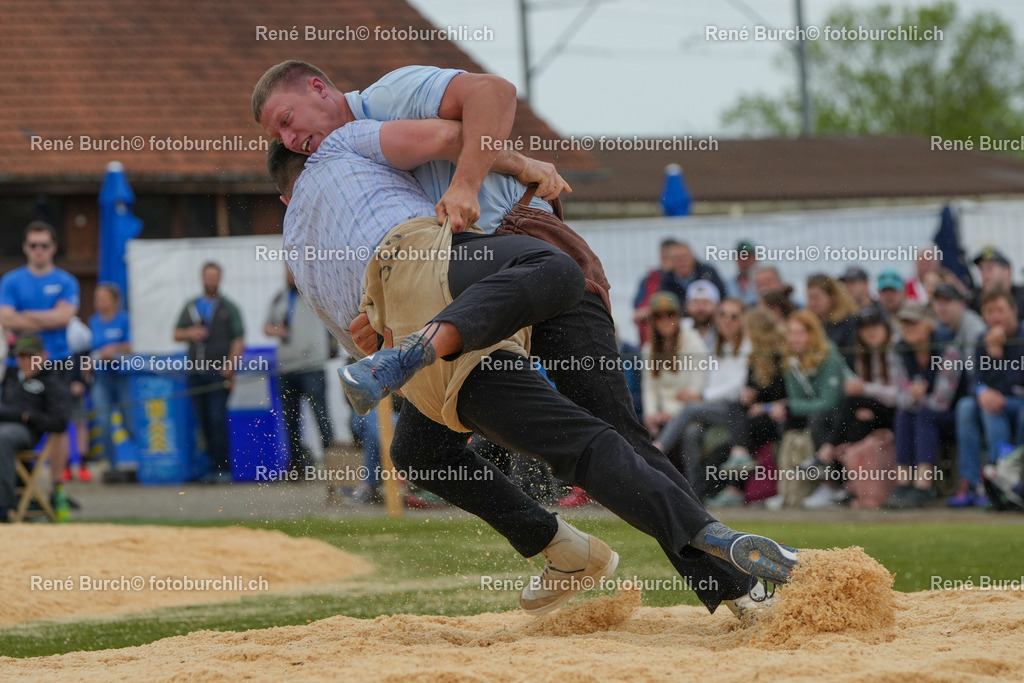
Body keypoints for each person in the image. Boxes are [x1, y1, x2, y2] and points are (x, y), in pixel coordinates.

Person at [266, 123, 799, 619]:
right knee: (425, 449)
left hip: (505, 273)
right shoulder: (343, 159)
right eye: (283, 129)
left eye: (288, 120)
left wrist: (519, 166)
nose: (296, 134)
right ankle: (585, 547)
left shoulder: (359, 133)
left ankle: (718, 573)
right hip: (464, 287)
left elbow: (482, 103)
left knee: (607, 434)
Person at [0, 221, 79, 491]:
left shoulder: (66, 281)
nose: (38, 250)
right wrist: (48, 317)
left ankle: (57, 490)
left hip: (56, 363)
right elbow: (6, 318)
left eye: (44, 245)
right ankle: (19, 488)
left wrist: (25, 316)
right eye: (33, 245)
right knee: (13, 421)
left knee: (59, 426)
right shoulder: (11, 280)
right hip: (18, 365)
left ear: (53, 247)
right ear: (25, 247)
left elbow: (64, 317)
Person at [799, 306, 899, 509]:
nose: (870, 332)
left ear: (885, 327)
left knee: (852, 402)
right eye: (865, 328)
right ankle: (847, 486)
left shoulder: (895, 350)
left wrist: (865, 389)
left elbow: (897, 394)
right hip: (872, 409)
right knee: (845, 420)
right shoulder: (865, 354)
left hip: (896, 411)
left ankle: (825, 455)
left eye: (875, 326)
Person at [654, 298, 751, 500]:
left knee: (691, 408)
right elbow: (710, 382)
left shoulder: (747, 346)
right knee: (691, 432)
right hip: (713, 408)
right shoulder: (717, 346)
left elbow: (736, 388)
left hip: (735, 412)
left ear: (742, 320)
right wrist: (702, 398)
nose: (727, 320)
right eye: (722, 314)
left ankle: (658, 449)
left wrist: (701, 397)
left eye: (733, 316)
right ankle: (695, 492)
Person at [951, 288, 1024, 507]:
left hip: (1018, 401)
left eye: (1000, 310)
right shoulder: (982, 339)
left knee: (994, 409)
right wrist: (982, 391)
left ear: (1013, 311)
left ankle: (1004, 481)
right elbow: (974, 379)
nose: (996, 317)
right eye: (990, 312)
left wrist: (997, 357)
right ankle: (972, 484)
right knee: (966, 407)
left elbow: (1015, 383)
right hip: (993, 402)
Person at [885, 304, 962, 508]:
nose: (908, 328)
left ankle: (923, 485)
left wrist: (914, 397)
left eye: (914, 322)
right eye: (904, 323)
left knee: (923, 415)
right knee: (904, 415)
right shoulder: (897, 349)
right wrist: (913, 396)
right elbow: (898, 394)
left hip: (953, 415)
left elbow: (942, 401)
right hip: (920, 410)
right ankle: (903, 483)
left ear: (929, 324)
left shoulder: (948, 349)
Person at [173, 262, 244, 483]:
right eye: (208, 276)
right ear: (202, 278)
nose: (211, 280)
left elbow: (239, 340)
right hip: (196, 372)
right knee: (202, 421)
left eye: (215, 276)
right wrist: (190, 333)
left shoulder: (228, 308)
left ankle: (223, 469)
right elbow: (176, 333)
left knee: (217, 419)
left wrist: (229, 367)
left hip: (218, 373)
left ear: (220, 279)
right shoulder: (191, 306)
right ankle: (207, 468)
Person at [264, 268, 334, 473]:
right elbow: (266, 327)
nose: (290, 275)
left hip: (312, 366)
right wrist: (277, 330)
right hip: (286, 368)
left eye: (294, 270)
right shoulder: (279, 298)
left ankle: (333, 466)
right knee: (290, 420)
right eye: (287, 270)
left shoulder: (315, 294)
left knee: (321, 416)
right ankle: (296, 465)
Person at [0, 335, 72, 521]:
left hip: (25, 432)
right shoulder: (10, 377)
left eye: (30, 356)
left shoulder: (52, 382)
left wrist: (27, 416)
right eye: (21, 356)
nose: (25, 361)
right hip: (5, 424)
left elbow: (59, 422)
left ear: (43, 356)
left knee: (3, 437)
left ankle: (4, 506)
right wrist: (19, 413)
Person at [641, 292, 708, 439]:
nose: (665, 321)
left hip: (688, 413)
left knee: (690, 433)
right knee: (642, 433)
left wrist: (670, 412)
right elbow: (650, 387)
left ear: (678, 317)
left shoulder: (694, 343)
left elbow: (696, 391)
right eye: (659, 316)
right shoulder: (648, 348)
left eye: (670, 315)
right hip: (660, 414)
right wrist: (651, 415)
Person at [87, 283, 133, 472]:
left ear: (114, 300)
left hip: (122, 376)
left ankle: (141, 462)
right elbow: (92, 349)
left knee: (129, 423)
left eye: (103, 298)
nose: (99, 302)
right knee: (103, 421)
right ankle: (113, 467)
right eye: (97, 298)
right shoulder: (93, 321)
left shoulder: (125, 319)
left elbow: (133, 345)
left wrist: (113, 349)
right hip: (102, 378)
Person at [806, 273, 858, 368]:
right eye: (810, 297)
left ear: (832, 297)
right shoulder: (808, 322)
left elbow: (849, 358)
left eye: (817, 297)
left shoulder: (848, 323)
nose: (813, 302)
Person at [632, 239, 677, 346]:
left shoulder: (678, 279)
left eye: (668, 256)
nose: (665, 259)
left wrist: (649, 310)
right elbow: (637, 305)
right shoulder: (649, 279)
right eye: (663, 256)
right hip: (648, 336)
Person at [931, 283, 985, 367]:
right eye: (938, 301)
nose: (941, 307)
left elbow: (973, 367)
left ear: (962, 304)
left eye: (946, 301)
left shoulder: (974, 327)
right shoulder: (938, 325)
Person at [659, 243, 727, 308]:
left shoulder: (708, 272)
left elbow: (722, 296)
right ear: (671, 262)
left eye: (685, 257)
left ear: (693, 258)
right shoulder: (667, 279)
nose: (681, 262)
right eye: (677, 258)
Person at [968, 246, 1024, 313]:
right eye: (981, 269)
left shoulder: (1021, 297)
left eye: (989, 268)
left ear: (1007, 271)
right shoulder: (974, 302)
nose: (984, 274)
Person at [683, 280, 720, 350]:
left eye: (705, 303)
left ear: (717, 306)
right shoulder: (681, 329)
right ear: (687, 306)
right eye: (695, 303)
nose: (700, 308)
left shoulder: (724, 332)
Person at [726, 240, 759, 307]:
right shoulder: (726, 284)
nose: (744, 261)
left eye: (748, 257)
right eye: (741, 257)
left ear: (756, 258)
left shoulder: (765, 282)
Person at [877, 269, 906, 336]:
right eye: (885, 291)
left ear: (903, 292)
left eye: (893, 291)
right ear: (879, 293)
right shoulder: (872, 317)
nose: (889, 296)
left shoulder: (915, 314)